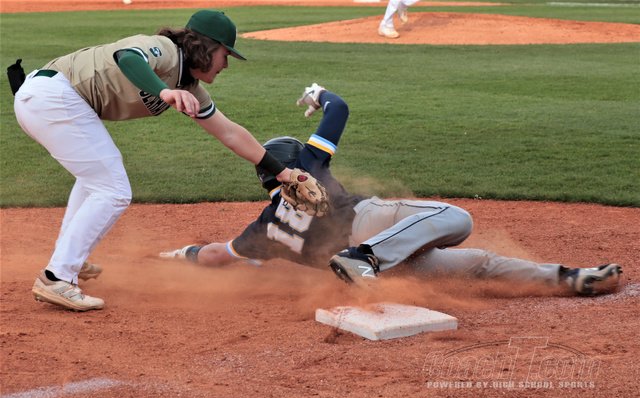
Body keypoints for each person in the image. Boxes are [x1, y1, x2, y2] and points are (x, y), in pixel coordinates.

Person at [159, 83, 623, 297]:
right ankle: (364, 257)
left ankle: (570, 278)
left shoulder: (261, 231)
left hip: (375, 266)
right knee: (457, 219)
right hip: (368, 232)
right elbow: (339, 108)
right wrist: (318, 94)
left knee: (479, 264)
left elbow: (217, 256)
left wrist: (179, 255)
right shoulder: (306, 167)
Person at [13, 10, 323, 312]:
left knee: (96, 180)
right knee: (113, 188)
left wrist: (284, 173)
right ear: (205, 47)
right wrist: (164, 92)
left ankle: (69, 261)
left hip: (50, 100)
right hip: (51, 96)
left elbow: (229, 133)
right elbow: (127, 57)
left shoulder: (190, 88)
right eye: (225, 54)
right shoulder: (166, 50)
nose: (226, 64)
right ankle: (57, 277)